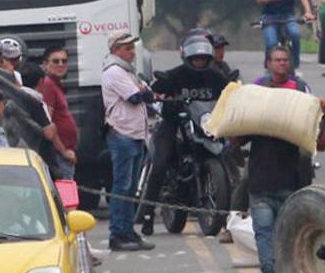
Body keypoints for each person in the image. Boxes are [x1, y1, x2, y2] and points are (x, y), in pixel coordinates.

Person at [240, 46, 325, 273]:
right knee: (264, 233)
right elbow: (237, 140)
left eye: (285, 60)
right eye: (276, 60)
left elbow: (320, 142)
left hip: (292, 182)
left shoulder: (300, 89)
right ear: (267, 63)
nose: (281, 64)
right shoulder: (257, 89)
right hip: (260, 181)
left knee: (287, 235)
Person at [139, 33, 232, 232]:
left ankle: (233, 213)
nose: (199, 62)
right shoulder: (175, 75)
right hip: (175, 124)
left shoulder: (216, 77)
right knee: (161, 161)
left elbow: (230, 93)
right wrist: (159, 97)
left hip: (205, 124)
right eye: (195, 59)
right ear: (187, 58)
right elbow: (155, 92)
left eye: (203, 59)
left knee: (229, 155)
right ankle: (147, 213)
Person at [99, 32, 154, 252]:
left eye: (132, 47)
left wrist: (144, 91)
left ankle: (129, 231)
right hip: (122, 134)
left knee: (131, 188)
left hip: (136, 134)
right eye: (127, 48)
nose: (132, 52)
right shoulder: (114, 72)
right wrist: (142, 91)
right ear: (116, 49)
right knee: (122, 186)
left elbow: (149, 94)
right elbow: (135, 97)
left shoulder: (128, 72)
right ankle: (117, 234)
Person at [36, 44, 80, 179]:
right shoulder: (48, 85)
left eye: (64, 61)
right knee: (65, 198)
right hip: (58, 156)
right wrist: (64, 151)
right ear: (45, 64)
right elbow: (47, 122)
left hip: (63, 154)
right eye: (56, 61)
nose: (61, 64)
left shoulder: (55, 85)